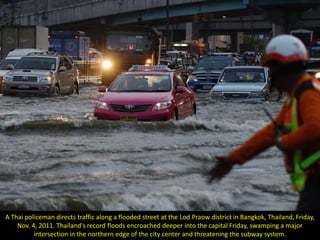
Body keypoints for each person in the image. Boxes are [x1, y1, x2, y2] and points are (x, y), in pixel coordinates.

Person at [207, 34, 320, 211]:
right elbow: (269, 133)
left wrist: (284, 142)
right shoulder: (297, 96)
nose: (271, 77)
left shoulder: (307, 93)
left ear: (280, 69)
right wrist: (233, 159)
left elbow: (315, 128)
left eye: (271, 71)